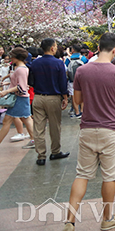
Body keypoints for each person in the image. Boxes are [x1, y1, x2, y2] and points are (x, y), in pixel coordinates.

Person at [63, 33, 115, 231]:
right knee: (109, 176)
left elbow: (77, 101)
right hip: (110, 129)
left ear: (99, 46)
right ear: (114, 50)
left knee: (82, 174)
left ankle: (70, 221)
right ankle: (107, 219)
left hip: (87, 128)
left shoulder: (82, 71)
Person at [29, 38, 69, 166]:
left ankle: (41, 155)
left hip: (38, 97)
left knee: (38, 127)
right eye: (56, 46)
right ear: (52, 48)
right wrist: (65, 97)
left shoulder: (34, 63)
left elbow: (31, 81)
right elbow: (63, 82)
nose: (56, 48)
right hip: (53, 98)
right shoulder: (58, 63)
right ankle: (55, 151)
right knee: (54, 126)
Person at [0, 48, 34, 146]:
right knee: (26, 118)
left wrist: (6, 91)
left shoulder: (20, 69)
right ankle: (34, 140)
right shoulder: (22, 68)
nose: (11, 58)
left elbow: (21, 87)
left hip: (19, 98)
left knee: (10, 120)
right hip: (21, 98)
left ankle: (35, 140)